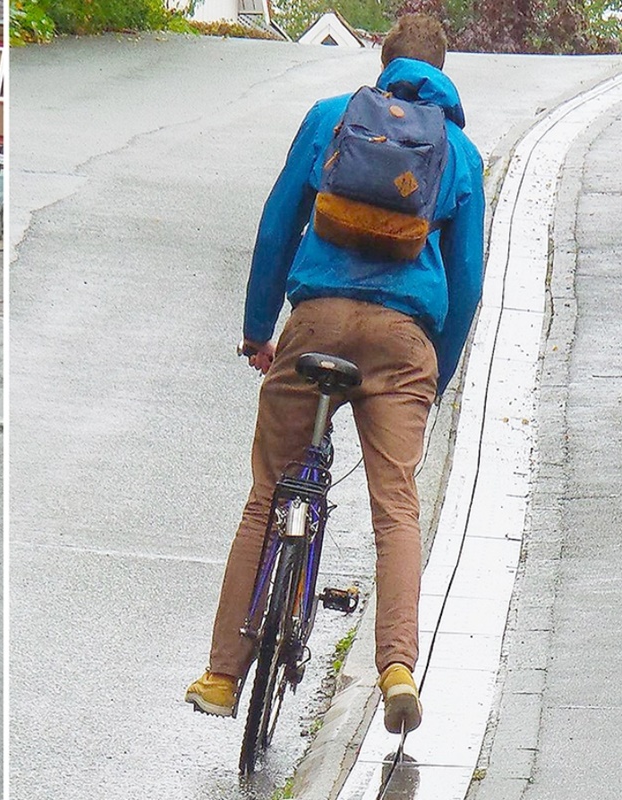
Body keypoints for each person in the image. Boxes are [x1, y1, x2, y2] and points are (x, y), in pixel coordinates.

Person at [185, 14, 485, 734]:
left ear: (383, 63)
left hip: (315, 323)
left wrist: (259, 329)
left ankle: (223, 674)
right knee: (396, 506)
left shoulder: (329, 118)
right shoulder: (460, 154)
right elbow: (468, 281)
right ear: (445, 72)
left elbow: (276, 222)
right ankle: (398, 668)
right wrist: (431, 378)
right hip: (403, 340)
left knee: (269, 493)